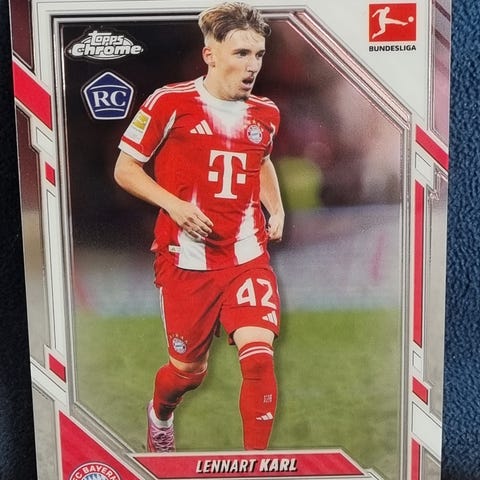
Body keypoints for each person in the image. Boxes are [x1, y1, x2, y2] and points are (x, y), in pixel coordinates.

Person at [114, 1, 284, 453]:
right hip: (186, 263)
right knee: (188, 373)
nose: (253, 65)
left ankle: (256, 467)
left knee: (259, 358)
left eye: (259, 54)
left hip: (246, 256)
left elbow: (261, 161)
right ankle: (160, 415)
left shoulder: (266, 113)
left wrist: (276, 208)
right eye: (241, 53)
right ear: (210, 55)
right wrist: (173, 206)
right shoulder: (170, 102)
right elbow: (125, 168)